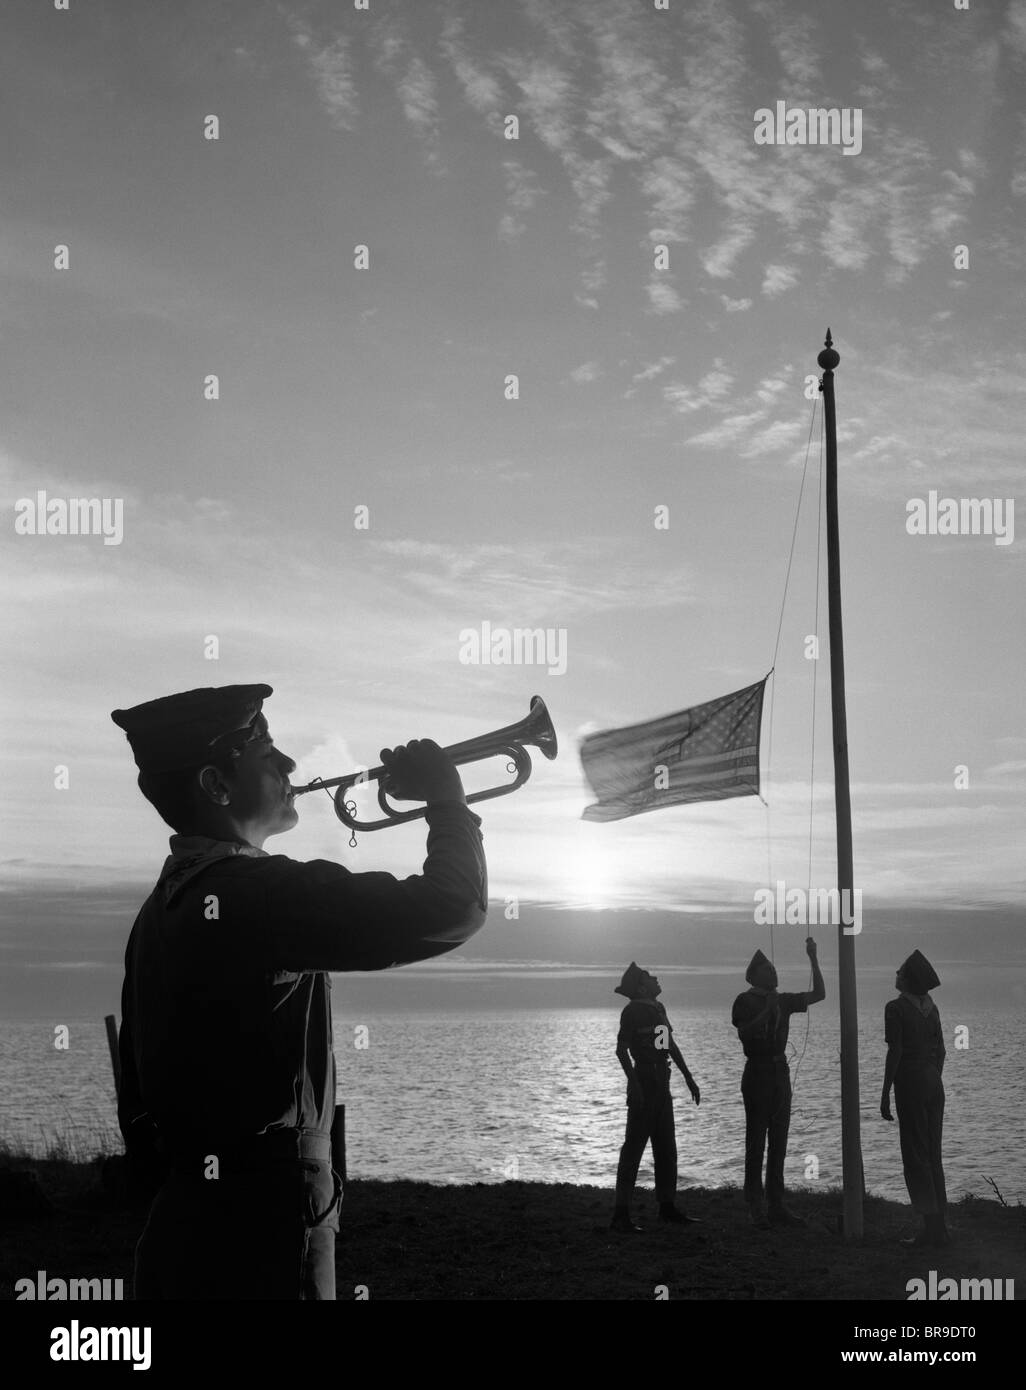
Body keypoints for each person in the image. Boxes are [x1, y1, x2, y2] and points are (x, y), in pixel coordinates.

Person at [111, 683, 487, 1299]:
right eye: (266, 751)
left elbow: (137, 1103)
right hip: (266, 1226)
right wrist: (447, 800)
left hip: (183, 1225)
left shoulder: (156, 913)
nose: (288, 765)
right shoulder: (256, 892)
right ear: (216, 786)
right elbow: (454, 907)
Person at [731, 939, 824, 1228]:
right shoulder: (744, 1001)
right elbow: (744, 1034)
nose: (774, 973)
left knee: (779, 1142)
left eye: (774, 969)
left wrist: (813, 957)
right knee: (756, 1141)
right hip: (757, 1071)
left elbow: (819, 994)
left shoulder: (784, 1000)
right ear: (756, 975)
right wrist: (766, 1012)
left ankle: (776, 1203)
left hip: (779, 1072)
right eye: (769, 969)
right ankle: (754, 1205)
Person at [610, 962, 701, 1233]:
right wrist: (635, 1086)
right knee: (633, 1149)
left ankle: (667, 1206)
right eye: (649, 977)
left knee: (666, 1148)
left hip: (662, 1082)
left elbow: (667, 1045)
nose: (656, 978)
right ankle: (621, 1214)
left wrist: (687, 1076)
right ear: (641, 986)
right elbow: (621, 1051)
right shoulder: (632, 1012)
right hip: (646, 1083)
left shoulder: (657, 1009)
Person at [880, 949, 948, 1247]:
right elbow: (942, 1052)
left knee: (915, 1154)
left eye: (900, 971)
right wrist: (933, 1075)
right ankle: (939, 1224)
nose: (896, 974)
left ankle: (929, 1227)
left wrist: (884, 1092)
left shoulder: (895, 1009)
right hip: (934, 1081)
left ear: (907, 980)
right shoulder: (932, 1010)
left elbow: (895, 1051)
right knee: (933, 1152)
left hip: (909, 1081)